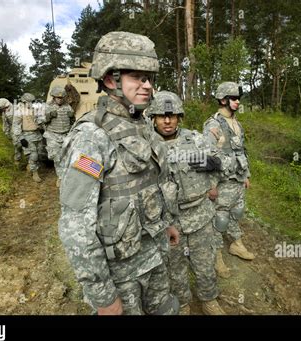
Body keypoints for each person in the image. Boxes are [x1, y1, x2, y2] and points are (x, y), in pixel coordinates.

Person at [58, 31, 180, 315]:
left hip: (155, 257)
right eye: (138, 77)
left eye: (149, 78)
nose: (148, 86)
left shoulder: (143, 126)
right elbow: (76, 226)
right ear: (111, 79)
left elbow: (155, 184)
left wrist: (168, 225)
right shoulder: (91, 137)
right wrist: (103, 295)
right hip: (121, 276)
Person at [146, 91, 226, 315]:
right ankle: (182, 303)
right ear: (153, 117)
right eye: (162, 116)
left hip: (199, 215)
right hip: (167, 221)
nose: (168, 121)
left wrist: (208, 163)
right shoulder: (145, 145)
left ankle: (209, 299)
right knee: (174, 267)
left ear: (180, 117)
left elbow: (223, 162)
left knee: (204, 262)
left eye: (172, 116)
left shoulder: (196, 139)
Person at [203, 82, 255, 279]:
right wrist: (211, 185)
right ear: (223, 100)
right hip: (222, 181)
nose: (237, 102)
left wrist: (246, 174)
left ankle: (236, 243)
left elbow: (242, 150)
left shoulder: (237, 124)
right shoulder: (213, 125)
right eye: (233, 98)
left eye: (238, 98)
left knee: (237, 211)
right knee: (220, 218)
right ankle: (216, 256)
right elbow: (209, 158)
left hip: (237, 178)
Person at [43, 86, 75, 186]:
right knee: (57, 157)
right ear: (53, 97)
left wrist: (72, 117)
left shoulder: (68, 106)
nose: (60, 100)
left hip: (65, 135)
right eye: (58, 98)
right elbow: (39, 121)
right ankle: (60, 177)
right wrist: (48, 116)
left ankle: (66, 175)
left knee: (66, 157)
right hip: (53, 135)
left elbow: (72, 123)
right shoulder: (47, 106)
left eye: (61, 98)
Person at [12, 92, 45, 182]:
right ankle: (35, 173)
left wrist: (42, 128)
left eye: (32, 102)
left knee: (40, 153)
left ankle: (30, 165)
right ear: (23, 102)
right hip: (27, 135)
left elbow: (40, 120)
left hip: (37, 134)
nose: (30, 104)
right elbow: (16, 125)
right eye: (28, 102)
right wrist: (21, 138)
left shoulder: (35, 110)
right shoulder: (19, 111)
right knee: (33, 155)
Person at [0, 98, 22, 162]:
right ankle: (17, 159)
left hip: (22, 128)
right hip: (13, 130)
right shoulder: (4, 113)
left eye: (6, 107)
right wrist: (6, 132)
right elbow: (5, 123)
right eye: (3, 108)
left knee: (27, 145)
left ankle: (31, 162)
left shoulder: (17, 107)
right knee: (17, 144)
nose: (5, 109)